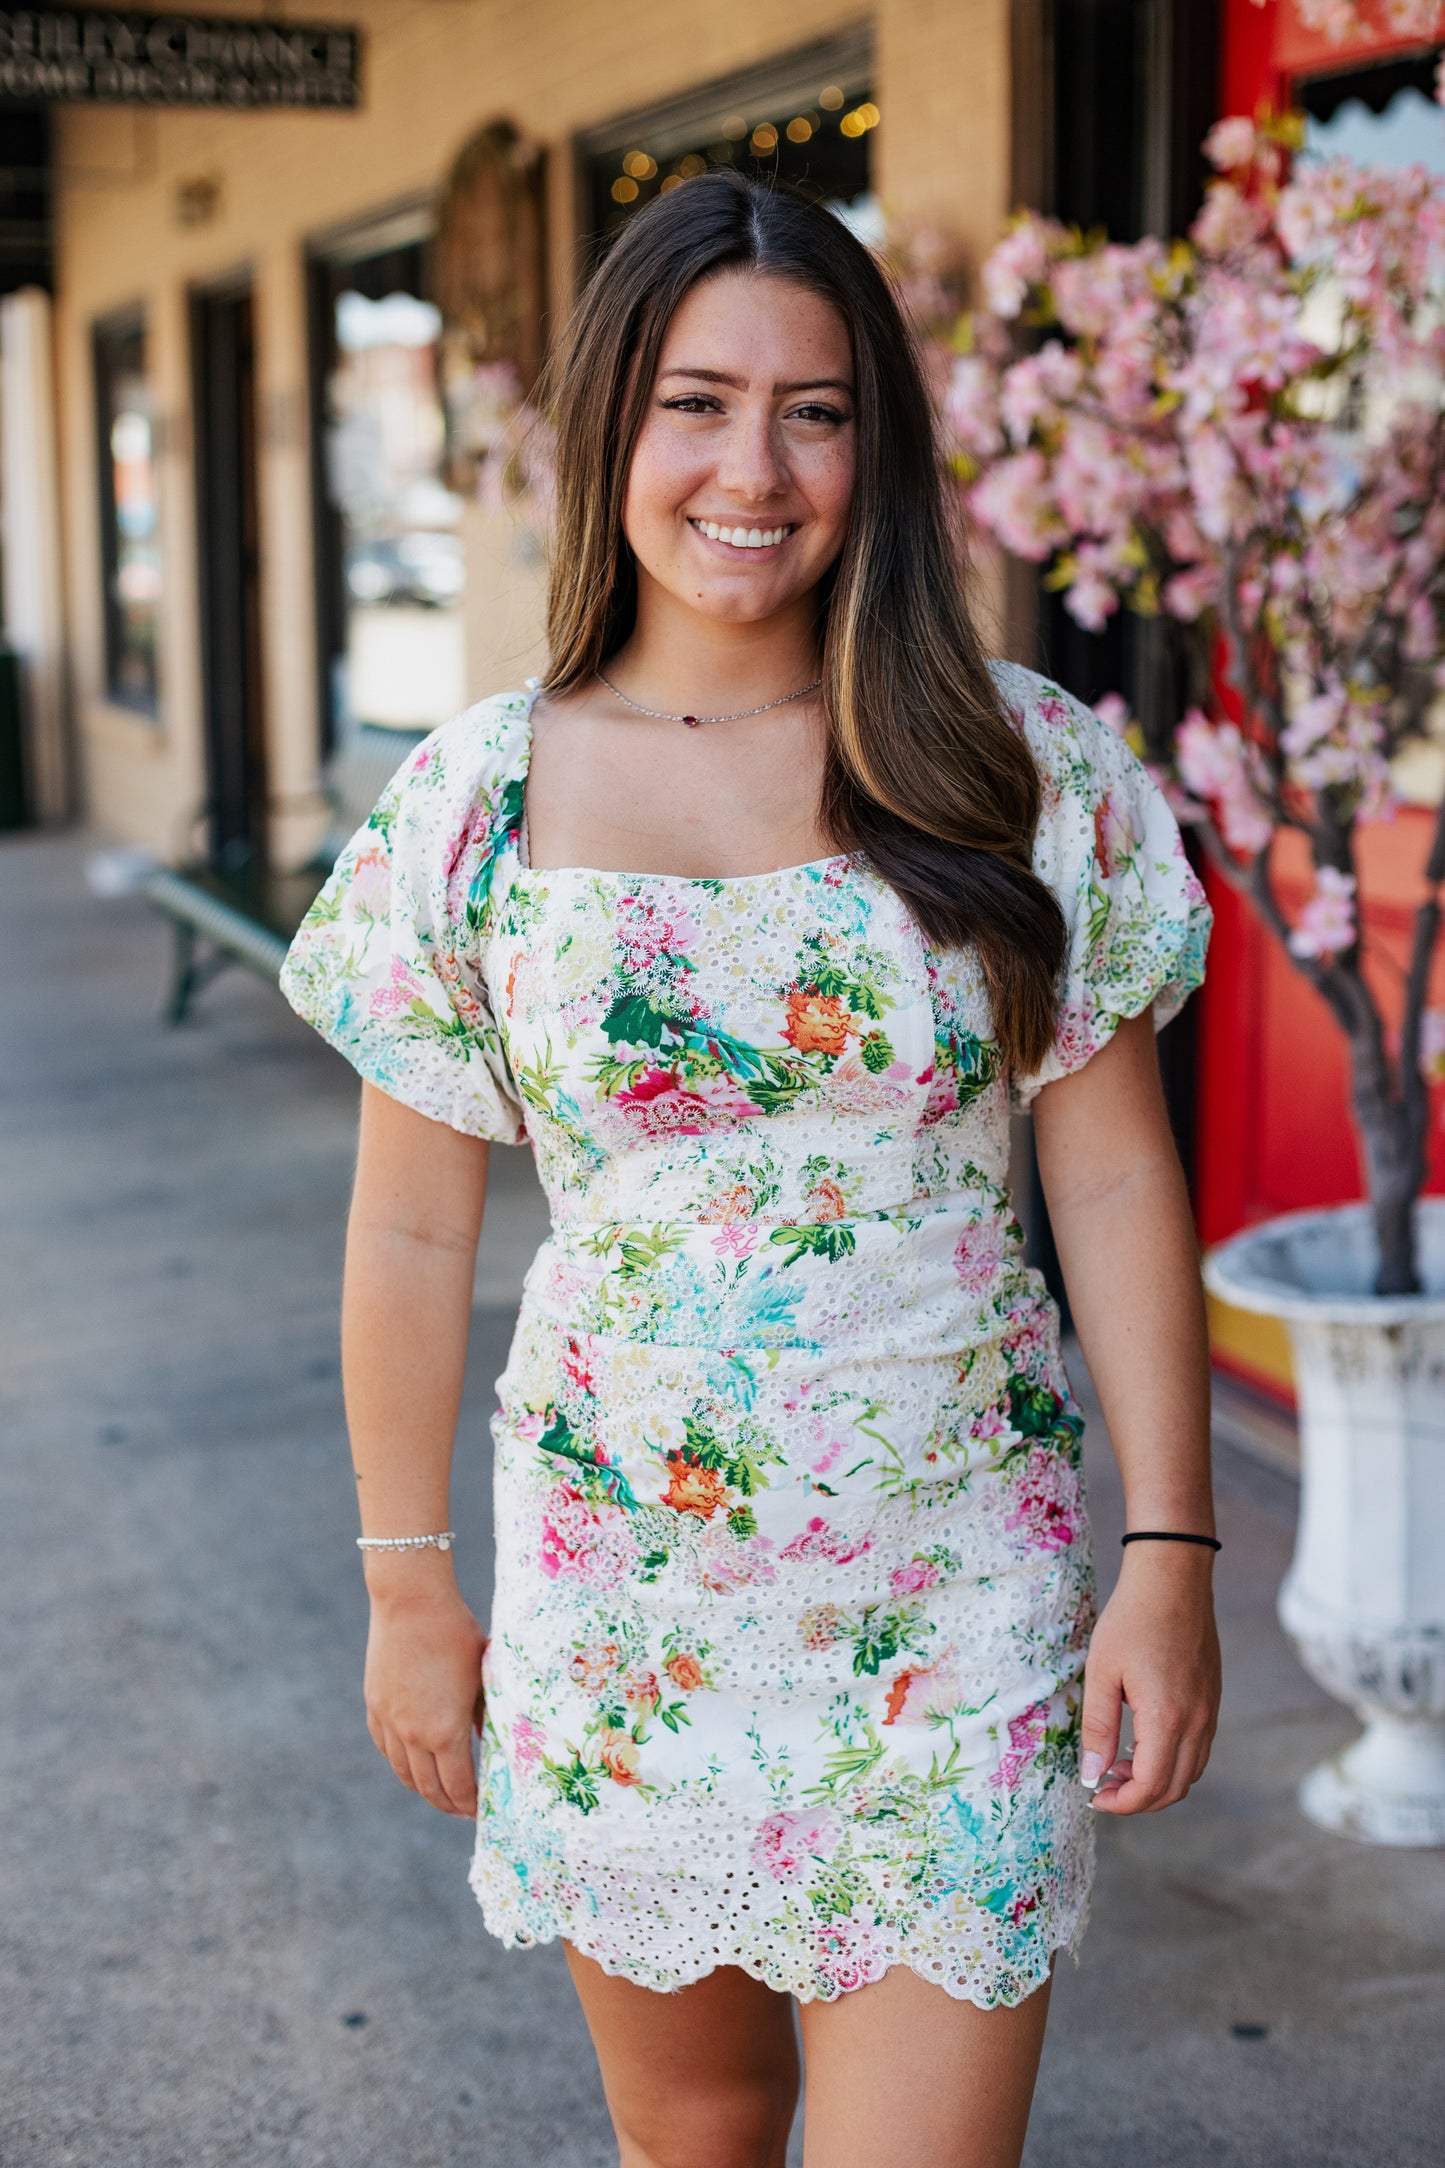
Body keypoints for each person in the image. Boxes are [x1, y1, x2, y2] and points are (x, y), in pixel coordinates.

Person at [281, 172, 1220, 2168]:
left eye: (815, 409)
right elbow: (410, 1220)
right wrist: (401, 1583)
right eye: (696, 402)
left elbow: (1122, 1182)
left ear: (878, 443)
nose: (754, 468)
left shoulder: (1020, 768)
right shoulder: (476, 802)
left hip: (954, 1599)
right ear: (610, 422)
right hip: (623, 1606)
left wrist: (1174, 1550)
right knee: (692, 2143)